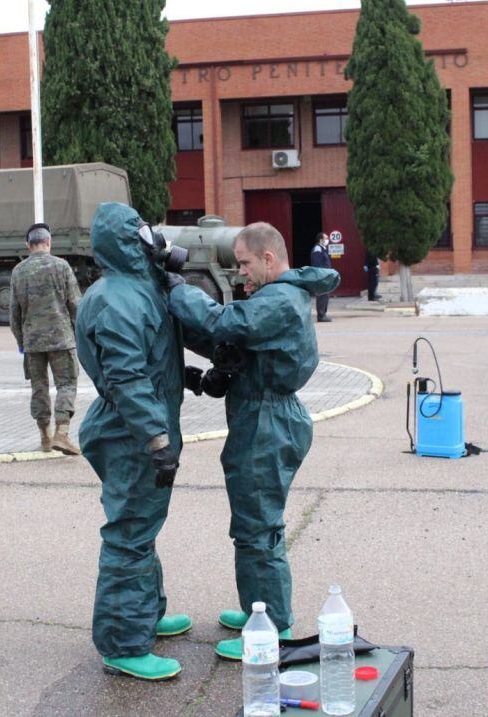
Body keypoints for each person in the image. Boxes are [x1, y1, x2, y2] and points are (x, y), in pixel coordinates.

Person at [167, 222, 340, 660]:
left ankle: (273, 629)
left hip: (268, 422)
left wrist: (174, 287)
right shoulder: (277, 297)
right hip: (262, 417)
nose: (240, 273)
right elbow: (226, 339)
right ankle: (259, 610)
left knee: (258, 528)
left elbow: (222, 321)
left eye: (244, 263)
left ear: (268, 258)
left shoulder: (278, 299)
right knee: (255, 524)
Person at [74, 202, 191, 681]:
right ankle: (123, 642)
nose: (153, 238)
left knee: (142, 527)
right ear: (128, 241)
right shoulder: (118, 298)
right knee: (129, 534)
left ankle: (146, 614)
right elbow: (125, 377)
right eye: (142, 231)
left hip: (137, 427)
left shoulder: (136, 289)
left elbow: (153, 359)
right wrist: (156, 438)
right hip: (131, 433)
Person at [10, 223, 82, 455]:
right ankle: (62, 432)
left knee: (38, 387)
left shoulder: (18, 271)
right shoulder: (62, 267)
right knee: (67, 384)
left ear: (28, 245)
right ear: (49, 242)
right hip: (62, 339)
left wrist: (22, 341)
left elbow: (14, 314)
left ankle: (44, 436)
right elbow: (75, 305)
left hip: (33, 342)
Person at [309, 232, 334, 322]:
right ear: (321, 240)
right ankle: (321, 315)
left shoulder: (323, 249)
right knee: (322, 295)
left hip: (325, 276)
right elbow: (317, 264)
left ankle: (323, 314)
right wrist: (321, 275)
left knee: (325, 295)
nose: (328, 240)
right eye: (326, 238)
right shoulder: (317, 249)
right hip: (321, 276)